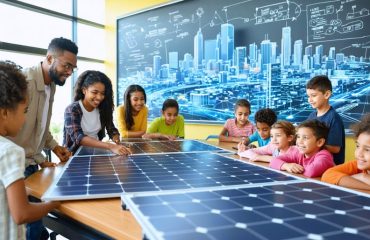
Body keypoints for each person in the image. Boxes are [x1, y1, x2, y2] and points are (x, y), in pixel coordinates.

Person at [10, 37, 77, 240]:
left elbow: (39, 127)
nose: (70, 72)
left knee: (35, 229)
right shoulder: (25, 83)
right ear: (49, 58)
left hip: (30, 164)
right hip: (15, 167)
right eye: (66, 65)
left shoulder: (51, 85)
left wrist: (55, 148)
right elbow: (10, 129)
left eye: (73, 67)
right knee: (28, 228)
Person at [0, 61, 60, 240]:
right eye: (25, 110)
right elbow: (22, 214)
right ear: (4, 113)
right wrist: (54, 202)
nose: (26, 119)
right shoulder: (10, 151)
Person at [63, 70, 131, 155]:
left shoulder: (102, 108)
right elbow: (78, 138)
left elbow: (111, 128)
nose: (99, 97)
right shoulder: (72, 109)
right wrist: (111, 146)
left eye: (102, 93)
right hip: (74, 155)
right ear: (84, 90)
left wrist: (116, 138)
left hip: (96, 152)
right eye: (94, 92)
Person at [269, 119, 334, 178]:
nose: (299, 141)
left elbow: (311, 172)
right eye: (298, 137)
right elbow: (273, 161)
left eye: (305, 137)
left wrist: (295, 168)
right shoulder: (298, 153)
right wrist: (287, 166)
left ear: (319, 142)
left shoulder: (325, 156)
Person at [322, 114, 370, 191]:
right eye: (358, 146)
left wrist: (351, 179)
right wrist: (362, 177)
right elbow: (327, 175)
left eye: (367, 150)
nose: (359, 154)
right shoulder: (357, 165)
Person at [306, 75, 345, 165]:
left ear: (327, 94)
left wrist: (312, 144)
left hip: (330, 166)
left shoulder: (333, 118)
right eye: (308, 96)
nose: (310, 100)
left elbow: (335, 148)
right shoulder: (311, 116)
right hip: (313, 162)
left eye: (314, 96)